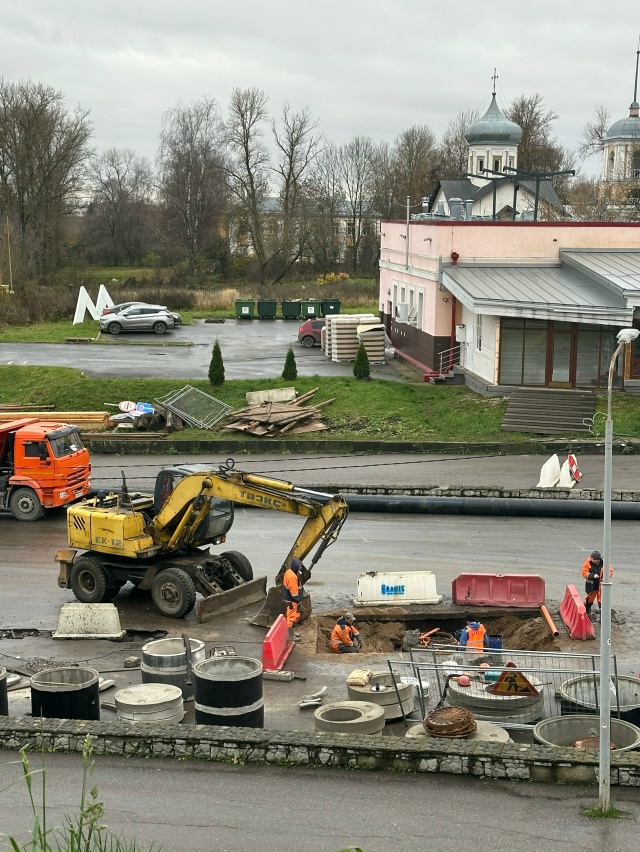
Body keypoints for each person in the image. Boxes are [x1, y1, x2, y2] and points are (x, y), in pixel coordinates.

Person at [581, 550, 614, 620]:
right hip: (591, 586)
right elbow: (584, 572)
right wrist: (592, 576)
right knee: (589, 599)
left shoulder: (605, 563)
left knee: (601, 601)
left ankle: (603, 617)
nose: (593, 560)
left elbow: (610, 570)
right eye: (592, 559)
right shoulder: (588, 562)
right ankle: (587, 612)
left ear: (598, 559)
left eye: (595, 560)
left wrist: (606, 577)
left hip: (601, 586)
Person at [282, 558, 304, 642]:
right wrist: (298, 601)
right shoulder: (292, 577)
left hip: (289, 600)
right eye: (299, 567)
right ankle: (291, 636)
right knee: (293, 617)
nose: (300, 569)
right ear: (296, 567)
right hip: (293, 601)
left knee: (290, 616)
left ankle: (291, 633)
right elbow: (294, 592)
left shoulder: (289, 572)